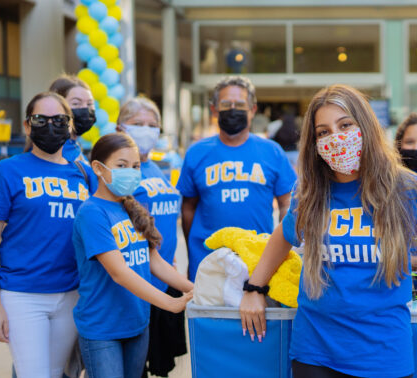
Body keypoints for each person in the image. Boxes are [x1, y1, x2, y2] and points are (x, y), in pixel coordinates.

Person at [240, 85, 417, 378]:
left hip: (383, 352)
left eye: (345, 125)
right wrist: (254, 289)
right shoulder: (310, 191)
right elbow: (284, 235)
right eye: (323, 132)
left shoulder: (406, 188)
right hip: (315, 349)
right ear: (314, 143)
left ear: (366, 126)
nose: (335, 137)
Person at [0, 92, 94, 378]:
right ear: (27, 126)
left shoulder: (84, 174)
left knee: (56, 373)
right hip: (21, 295)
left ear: (70, 126)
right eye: (41, 119)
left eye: (59, 120)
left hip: (71, 293)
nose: (51, 126)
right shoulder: (5, 172)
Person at [72, 132, 193, 378]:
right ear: (98, 168)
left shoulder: (132, 207)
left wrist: (195, 289)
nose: (131, 171)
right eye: (122, 165)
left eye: (136, 166)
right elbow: (119, 272)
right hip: (103, 327)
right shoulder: (92, 213)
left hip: (137, 322)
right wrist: (169, 302)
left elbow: (155, 262)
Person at [178, 76, 297, 281]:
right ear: (214, 110)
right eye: (226, 104)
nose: (233, 109)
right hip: (208, 263)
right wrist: (192, 254)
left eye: (240, 104)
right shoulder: (196, 152)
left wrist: (280, 252)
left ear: (252, 109)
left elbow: (287, 204)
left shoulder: (272, 152)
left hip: (258, 263)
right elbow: (188, 207)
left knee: (255, 314)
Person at [116, 97, 186, 377]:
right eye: (137, 124)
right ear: (121, 128)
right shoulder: (122, 173)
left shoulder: (157, 168)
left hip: (165, 276)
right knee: (136, 365)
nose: (146, 130)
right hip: (138, 282)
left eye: (152, 125)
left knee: (160, 364)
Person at [49, 75, 97, 165]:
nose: (85, 108)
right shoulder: (53, 152)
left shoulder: (74, 145)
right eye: (76, 103)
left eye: (90, 103)